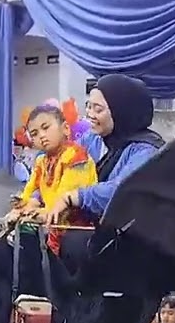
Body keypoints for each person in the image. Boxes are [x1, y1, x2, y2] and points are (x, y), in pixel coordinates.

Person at [46, 74, 165, 224]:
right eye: (88, 106)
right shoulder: (92, 138)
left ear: (120, 112)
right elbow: (63, 162)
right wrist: (36, 198)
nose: (90, 114)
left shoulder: (146, 151)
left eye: (98, 109)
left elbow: (121, 191)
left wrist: (74, 197)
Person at [11, 103, 97, 254]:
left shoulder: (76, 157)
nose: (41, 136)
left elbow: (64, 200)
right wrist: (21, 207)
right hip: (50, 225)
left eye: (46, 128)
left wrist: (36, 214)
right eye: (35, 133)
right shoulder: (41, 161)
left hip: (76, 231)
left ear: (65, 128)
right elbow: (31, 191)